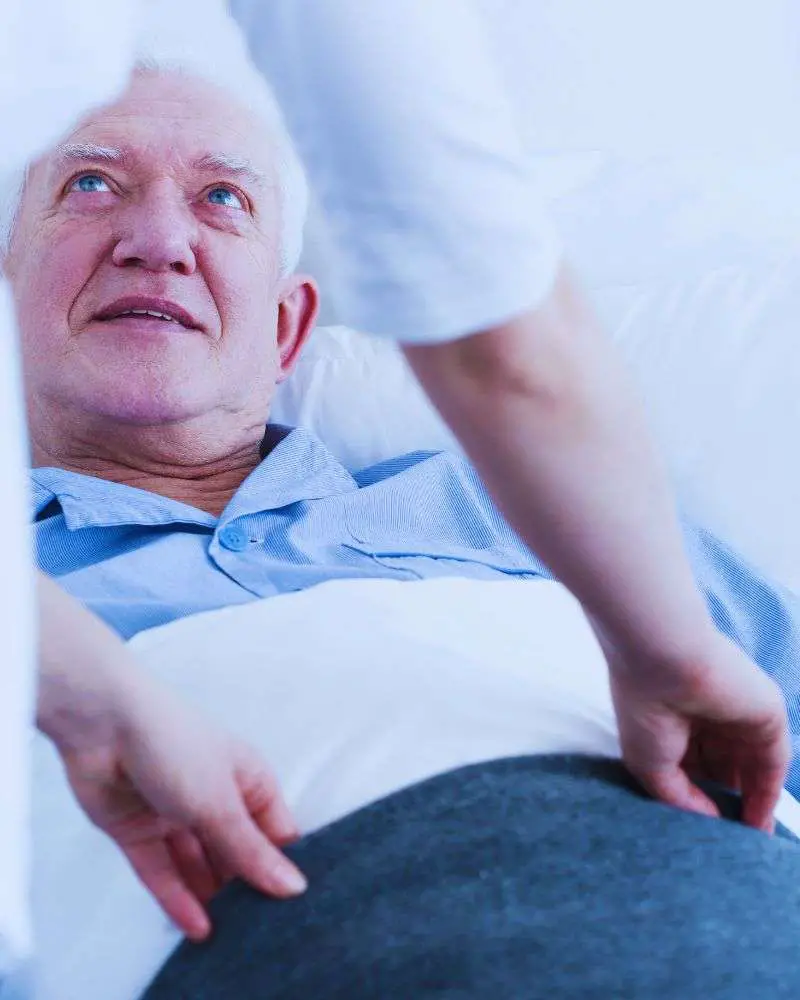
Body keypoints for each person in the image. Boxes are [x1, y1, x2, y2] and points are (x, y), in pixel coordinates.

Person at [0, 0, 796, 989]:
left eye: (223, 202)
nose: (156, 240)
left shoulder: (556, 519)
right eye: (90, 183)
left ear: (288, 334)